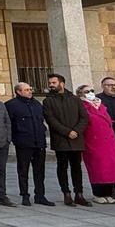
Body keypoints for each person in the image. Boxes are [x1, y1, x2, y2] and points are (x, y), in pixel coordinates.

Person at [43, 73, 91, 207]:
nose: (51, 85)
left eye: (54, 83)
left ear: (61, 83)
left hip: (76, 138)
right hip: (61, 139)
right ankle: (66, 193)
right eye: (50, 83)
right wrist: (67, 132)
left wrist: (76, 131)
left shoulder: (75, 99)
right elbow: (51, 120)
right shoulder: (48, 101)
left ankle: (79, 193)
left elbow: (84, 118)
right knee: (62, 167)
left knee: (76, 167)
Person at [76, 84, 115, 204]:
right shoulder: (82, 106)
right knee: (97, 168)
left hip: (108, 142)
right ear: (80, 94)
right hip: (94, 142)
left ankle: (109, 193)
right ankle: (98, 193)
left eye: (92, 90)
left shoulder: (101, 105)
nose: (90, 93)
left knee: (109, 168)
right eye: (87, 91)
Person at [6, 82, 54, 206]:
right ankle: (24, 195)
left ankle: (40, 195)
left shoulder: (36, 104)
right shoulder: (11, 105)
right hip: (23, 142)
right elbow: (8, 124)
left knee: (40, 170)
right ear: (18, 92)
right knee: (23, 170)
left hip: (39, 142)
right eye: (26, 90)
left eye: (30, 89)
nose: (30, 91)